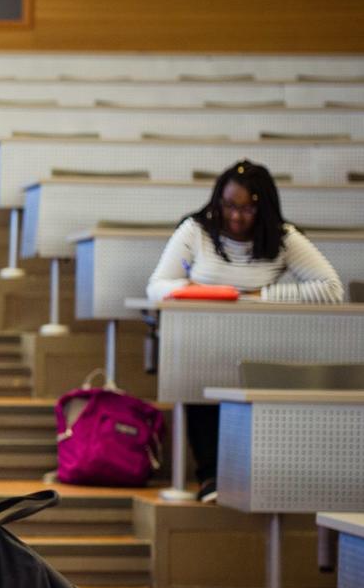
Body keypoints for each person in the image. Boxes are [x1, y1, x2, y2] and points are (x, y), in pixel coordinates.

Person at [146, 158, 344, 502]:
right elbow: (157, 287)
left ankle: (260, 475)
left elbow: (330, 289)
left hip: (262, 343)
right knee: (198, 376)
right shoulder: (196, 230)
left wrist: (258, 296)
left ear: (264, 207)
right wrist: (197, 291)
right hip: (202, 341)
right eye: (229, 206)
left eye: (247, 209)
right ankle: (209, 476)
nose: (236, 217)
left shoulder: (283, 238)